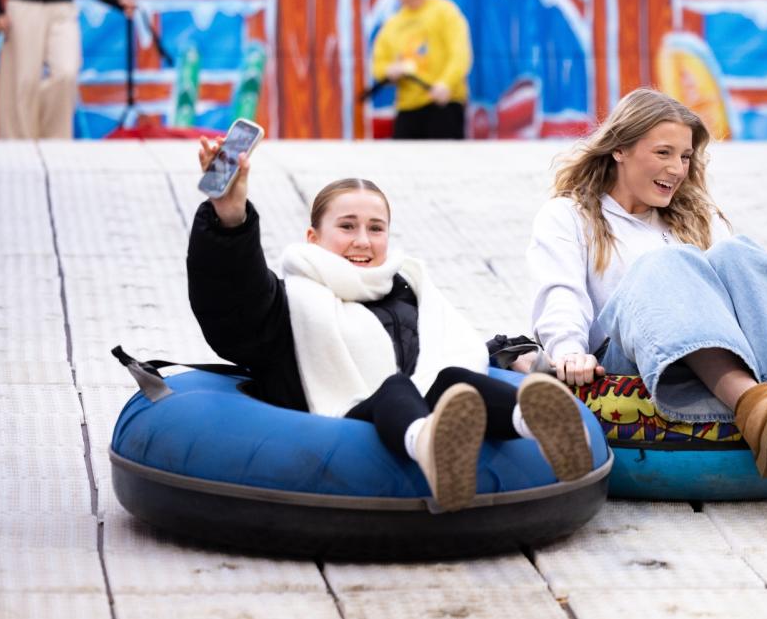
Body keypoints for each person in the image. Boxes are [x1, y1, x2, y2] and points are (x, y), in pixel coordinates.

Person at [186, 138, 591, 512]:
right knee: (395, 386)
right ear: (313, 236)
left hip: (427, 408)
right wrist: (230, 215)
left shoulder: (411, 292)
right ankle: (429, 446)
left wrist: (503, 353)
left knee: (453, 378)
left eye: (375, 228)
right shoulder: (287, 302)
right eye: (347, 226)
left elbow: (436, 352)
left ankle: (537, 422)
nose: (363, 240)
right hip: (333, 427)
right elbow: (233, 305)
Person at [527, 88, 767, 478]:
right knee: (665, 263)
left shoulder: (692, 219)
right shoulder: (569, 215)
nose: (677, 169)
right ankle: (752, 406)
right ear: (620, 149)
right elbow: (560, 293)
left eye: (685, 157)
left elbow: (744, 299)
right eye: (663, 153)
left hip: (716, 354)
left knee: (734, 253)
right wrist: (567, 351)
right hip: (625, 362)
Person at [0, 0, 136, 139]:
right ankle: (20, 144)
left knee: (66, 72)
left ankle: (55, 143)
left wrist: (115, 1)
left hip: (62, 7)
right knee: (24, 81)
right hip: (24, 6)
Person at [370, 0, 471, 140]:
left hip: (444, 104)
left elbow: (460, 54)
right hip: (407, 108)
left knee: (445, 160)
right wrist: (389, 71)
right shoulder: (392, 25)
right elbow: (378, 66)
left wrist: (446, 83)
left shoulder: (444, 11)